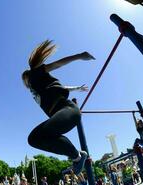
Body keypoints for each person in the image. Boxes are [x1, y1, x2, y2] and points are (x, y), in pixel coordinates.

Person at [22, 40, 95, 175]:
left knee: (39, 136)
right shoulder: (39, 89)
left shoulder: (34, 74)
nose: (26, 83)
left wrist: (79, 56)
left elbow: (57, 64)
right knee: (34, 139)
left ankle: (78, 157)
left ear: (26, 77)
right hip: (61, 113)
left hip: (68, 110)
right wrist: (77, 88)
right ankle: (77, 155)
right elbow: (63, 88)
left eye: (25, 80)